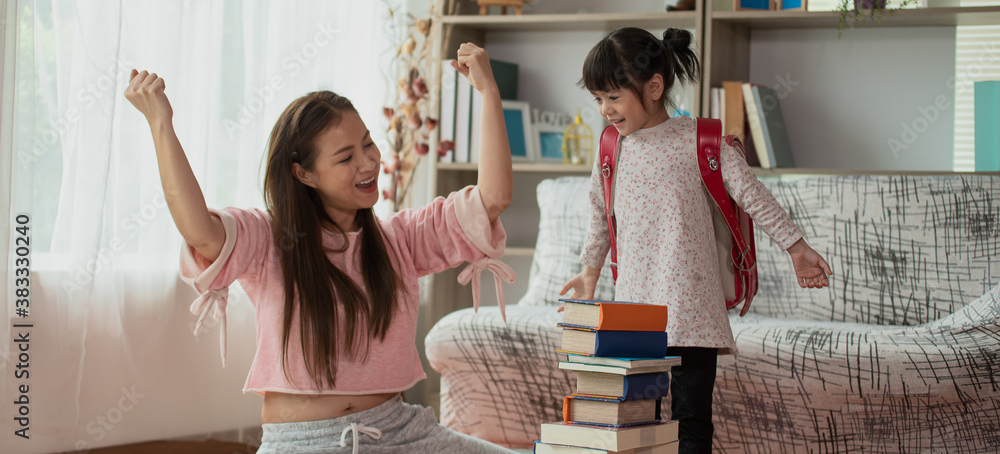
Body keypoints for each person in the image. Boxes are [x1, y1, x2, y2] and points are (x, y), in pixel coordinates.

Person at [124, 42, 516, 454]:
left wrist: (489, 92)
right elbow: (200, 232)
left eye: (367, 144)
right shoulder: (269, 240)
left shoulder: (401, 238)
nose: (368, 163)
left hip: (402, 431)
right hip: (303, 443)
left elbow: (492, 199)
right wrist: (160, 124)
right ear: (304, 174)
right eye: (346, 158)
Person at [559, 27, 832, 454]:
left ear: (654, 87)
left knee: (691, 422)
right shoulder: (612, 147)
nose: (604, 110)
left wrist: (796, 248)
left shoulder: (702, 142)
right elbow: (600, 211)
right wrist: (589, 272)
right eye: (597, 99)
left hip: (692, 309)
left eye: (613, 97)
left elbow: (754, 197)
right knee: (634, 419)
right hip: (635, 310)